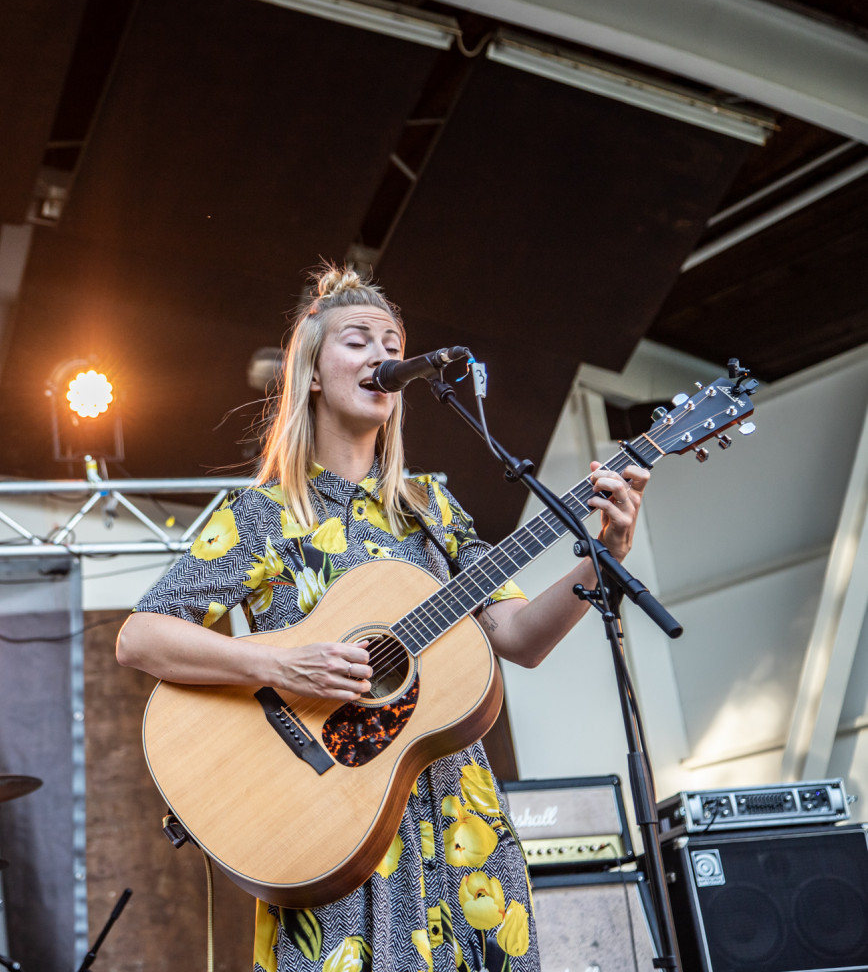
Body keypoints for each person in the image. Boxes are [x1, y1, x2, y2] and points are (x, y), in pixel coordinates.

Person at [116, 266, 648, 972]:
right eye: (357, 340)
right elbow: (140, 636)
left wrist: (603, 557)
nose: (380, 355)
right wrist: (279, 663)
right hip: (329, 829)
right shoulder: (264, 515)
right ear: (310, 374)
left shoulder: (432, 510)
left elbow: (518, 639)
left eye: (391, 342)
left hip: (461, 830)